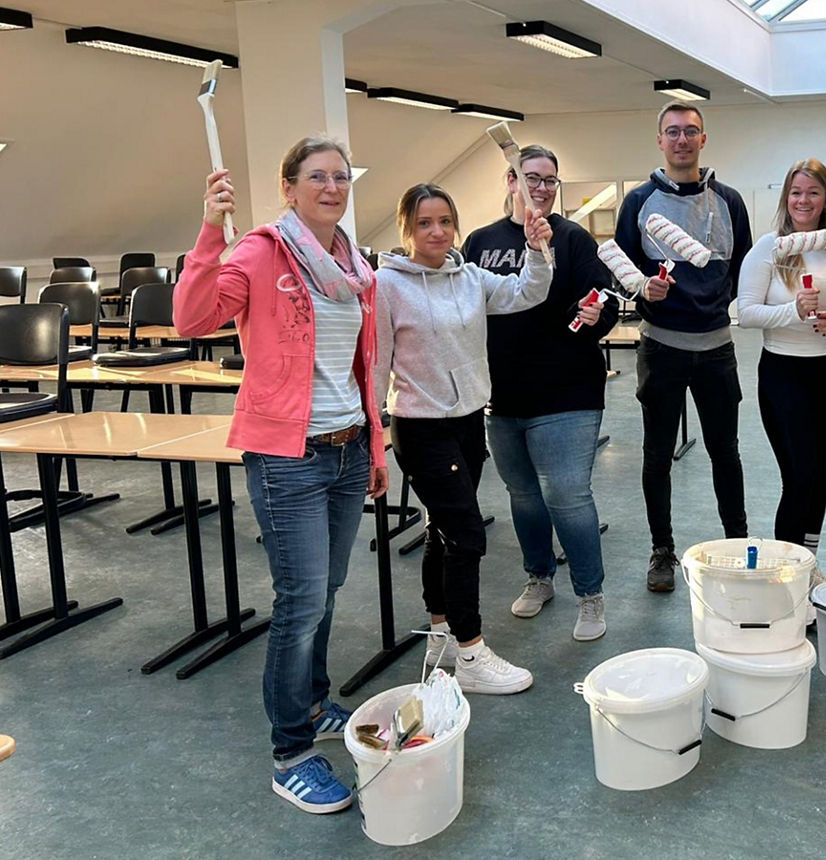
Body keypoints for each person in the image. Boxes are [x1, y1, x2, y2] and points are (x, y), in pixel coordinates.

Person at [174, 136, 389, 815]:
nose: (332, 187)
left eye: (341, 177)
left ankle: (314, 703)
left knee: (327, 588)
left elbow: (361, 367)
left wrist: (375, 450)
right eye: (317, 177)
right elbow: (192, 319)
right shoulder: (260, 252)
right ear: (289, 188)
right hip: (287, 457)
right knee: (301, 600)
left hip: (348, 448)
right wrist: (209, 230)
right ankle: (290, 752)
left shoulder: (354, 264)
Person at [373, 182, 552, 693]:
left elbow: (528, 292)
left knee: (443, 531)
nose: (437, 232)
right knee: (468, 534)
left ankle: (442, 635)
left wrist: (537, 250)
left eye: (445, 221)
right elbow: (376, 364)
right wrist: (371, 438)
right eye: (424, 223)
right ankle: (471, 655)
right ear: (406, 228)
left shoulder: (470, 277)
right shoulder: (386, 285)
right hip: (420, 425)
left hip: (469, 421)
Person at [462, 145, 619, 641]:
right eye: (532, 178)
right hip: (502, 396)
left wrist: (597, 315)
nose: (542, 188)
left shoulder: (572, 238)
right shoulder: (481, 242)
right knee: (525, 497)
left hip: (567, 393)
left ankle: (590, 595)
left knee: (567, 497)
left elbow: (605, 300)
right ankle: (539, 577)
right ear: (512, 181)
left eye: (551, 180)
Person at [615, 100, 752, 592]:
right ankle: (661, 551)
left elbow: (743, 269)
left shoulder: (729, 201)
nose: (681, 139)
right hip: (661, 349)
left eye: (690, 131)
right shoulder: (638, 202)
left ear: (703, 139)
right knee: (657, 454)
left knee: (725, 452)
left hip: (716, 349)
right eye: (672, 131)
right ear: (660, 141)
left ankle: (739, 543)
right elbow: (623, 271)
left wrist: (714, 302)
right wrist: (642, 290)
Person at [737, 157, 826, 583]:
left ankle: (808, 564)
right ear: (786, 198)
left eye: (812, 192)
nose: (803, 201)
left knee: (819, 476)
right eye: (795, 192)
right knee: (799, 477)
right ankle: (786, 574)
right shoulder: (768, 248)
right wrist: (793, 311)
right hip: (783, 374)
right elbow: (746, 313)